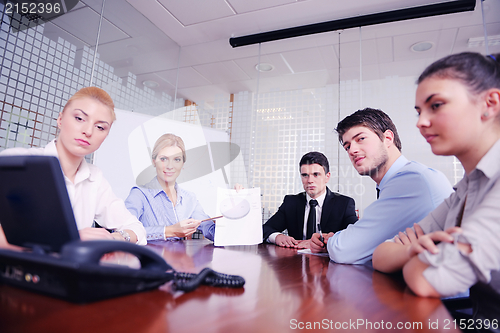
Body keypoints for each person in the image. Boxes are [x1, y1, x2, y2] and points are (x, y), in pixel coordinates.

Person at [372, 52, 500, 318]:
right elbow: (381, 255)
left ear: (490, 103)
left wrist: (413, 258)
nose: (420, 122)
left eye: (437, 105)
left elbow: (427, 279)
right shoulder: (465, 189)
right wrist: (412, 250)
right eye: (419, 111)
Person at [0, 87, 146, 245]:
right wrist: (72, 238)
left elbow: (137, 229)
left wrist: (113, 237)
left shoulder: (95, 178)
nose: (88, 131)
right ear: (60, 119)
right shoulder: (17, 162)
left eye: (100, 127)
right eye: (79, 118)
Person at [310, 108, 453, 264]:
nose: (353, 150)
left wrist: (332, 242)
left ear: (388, 138)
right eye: (347, 146)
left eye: (361, 139)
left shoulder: (411, 180)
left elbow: (344, 250)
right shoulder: (399, 180)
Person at [125, 133, 216, 242]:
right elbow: (124, 232)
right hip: (148, 258)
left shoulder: (189, 199)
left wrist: (237, 201)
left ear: (183, 164)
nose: (169, 166)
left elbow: (211, 231)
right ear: (154, 162)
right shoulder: (139, 194)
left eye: (177, 159)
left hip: (179, 258)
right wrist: (170, 231)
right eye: (163, 159)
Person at [262, 151, 358, 249]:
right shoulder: (291, 202)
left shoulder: (344, 203)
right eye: (305, 175)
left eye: (316, 174)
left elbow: (356, 235)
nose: (310, 180)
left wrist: (330, 240)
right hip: (296, 260)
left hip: (328, 261)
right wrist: (277, 237)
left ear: (327, 177)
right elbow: (265, 229)